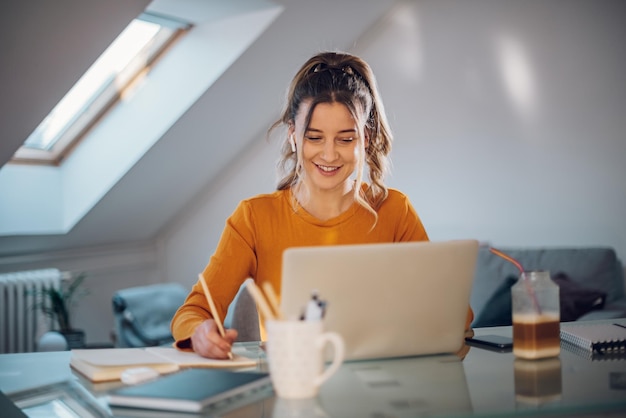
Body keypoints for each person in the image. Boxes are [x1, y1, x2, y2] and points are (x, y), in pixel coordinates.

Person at [171, 51, 473, 359]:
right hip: (294, 389)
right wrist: (200, 333)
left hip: (380, 393)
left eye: (345, 139)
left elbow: (456, 318)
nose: (329, 155)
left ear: (365, 139)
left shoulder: (395, 210)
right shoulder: (253, 218)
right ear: (293, 136)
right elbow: (193, 311)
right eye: (315, 138)